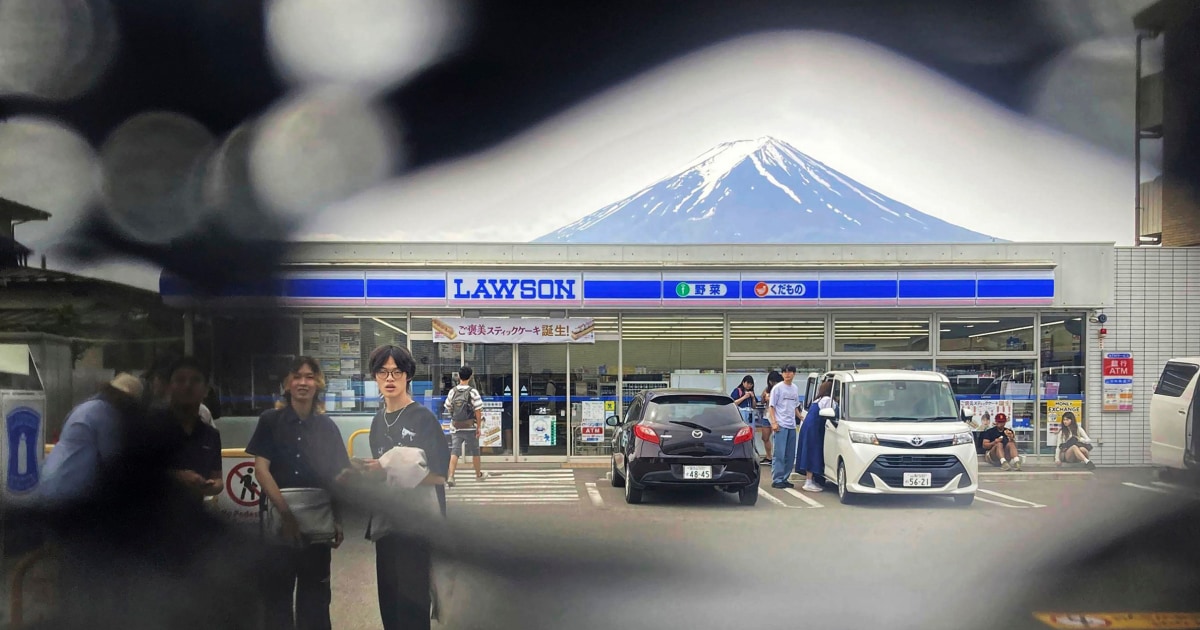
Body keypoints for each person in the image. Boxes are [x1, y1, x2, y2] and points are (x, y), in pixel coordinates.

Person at [246, 356, 351, 630]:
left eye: (309, 377)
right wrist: (287, 515)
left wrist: (337, 519)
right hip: (280, 527)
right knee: (277, 599)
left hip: (318, 528)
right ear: (287, 383)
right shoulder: (270, 420)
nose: (303, 382)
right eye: (297, 376)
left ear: (318, 384)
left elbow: (335, 477)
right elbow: (261, 470)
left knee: (316, 601)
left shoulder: (327, 427)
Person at [362, 344, 450, 630]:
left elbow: (439, 474)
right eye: (382, 372)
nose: (389, 378)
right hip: (387, 525)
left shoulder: (423, 418)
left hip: (417, 527)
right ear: (374, 377)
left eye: (396, 372)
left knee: (413, 605)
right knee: (389, 602)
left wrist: (391, 468)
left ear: (408, 376)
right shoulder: (377, 421)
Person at [39, 373, 144, 505]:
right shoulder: (107, 414)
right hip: (72, 492)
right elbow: (113, 460)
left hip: (49, 482)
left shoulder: (84, 407)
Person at [157, 357, 223, 504]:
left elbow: (218, 478)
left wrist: (213, 486)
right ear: (168, 387)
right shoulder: (149, 426)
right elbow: (134, 474)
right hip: (153, 519)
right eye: (180, 380)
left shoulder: (211, 435)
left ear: (206, 390)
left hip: (194, 518)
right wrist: (178, 477)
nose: (187, 386)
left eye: (196, 380)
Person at [444, 365, 488, 486]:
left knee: (455, 452)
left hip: (456, 426)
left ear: (458, 376)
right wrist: (478, 427)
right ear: (470, 377)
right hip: (470, 427)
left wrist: (455, 416)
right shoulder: (473, 392)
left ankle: (451, 476)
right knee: (475, 452)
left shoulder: (452, 391)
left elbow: (448, 406)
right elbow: (478, 411)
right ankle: (478, 475)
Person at [797, 381, 838, 493]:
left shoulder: (817, 400)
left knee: (809, 451)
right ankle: (808, 482)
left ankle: (811, 480)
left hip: (807, 427)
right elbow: (835, 413)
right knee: (813, 452)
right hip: (814, 429)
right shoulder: (828, 400)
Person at [768, 365, 803, 489]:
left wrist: (801, 417)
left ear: (794, 374)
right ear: (782, 374)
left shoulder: (794, 388)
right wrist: (774, 422)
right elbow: (771, 406)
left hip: (792, 425)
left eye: (790, 372)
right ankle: (777, 479)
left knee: (790, 453)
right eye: (785, 372)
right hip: (780, 425)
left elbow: (795, 406)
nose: (787, 374)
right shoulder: (777, 388)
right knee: (779, 453)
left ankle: (785, 478)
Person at [757, 371, 782, 464]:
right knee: (765, 437)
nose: (772, 383)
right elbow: (762, 401)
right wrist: (764, 397)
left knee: (778, 438)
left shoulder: (781, 388)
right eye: (771, 381)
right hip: (767, 415)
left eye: (774, 381)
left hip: (777, 415)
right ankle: (769, 457)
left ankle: (777, 458)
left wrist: (770, 398)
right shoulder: (768, 388)